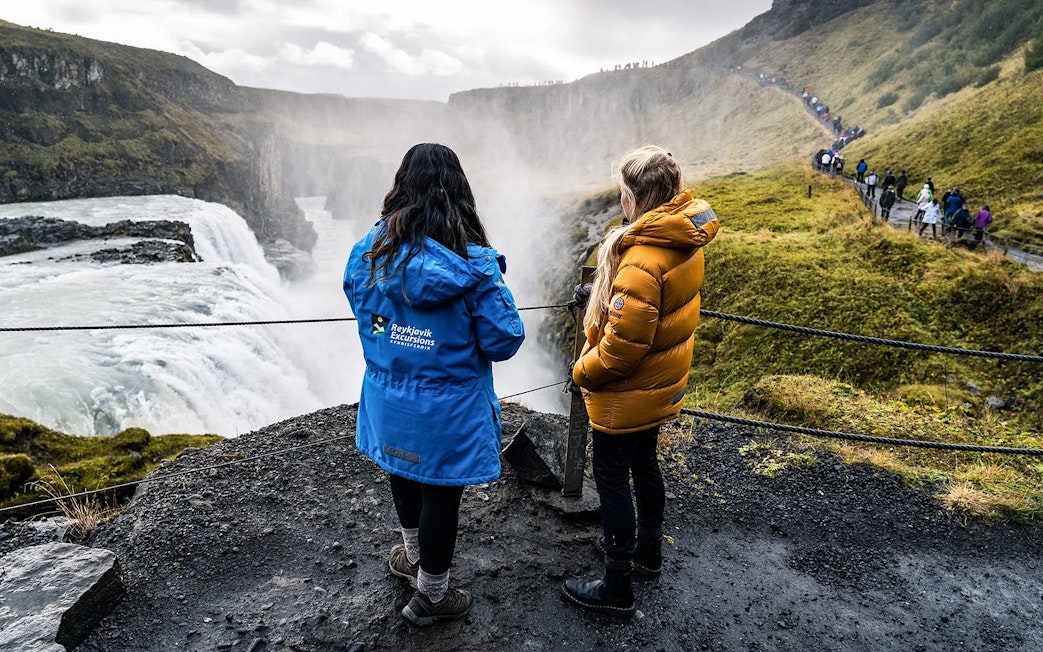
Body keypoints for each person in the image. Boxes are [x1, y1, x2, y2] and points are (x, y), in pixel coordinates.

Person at [342, 143, 525, 626]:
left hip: (388, 395)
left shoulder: (368, 254)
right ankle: (432, 596)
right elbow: (504, 340)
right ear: (458, 191)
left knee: (402, 473)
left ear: (401, 186)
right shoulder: (474, 267)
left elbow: (361, 305)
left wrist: (394, 333)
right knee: (441, 493)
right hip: (449, 409)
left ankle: (410, 559)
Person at [562, 145, 720, 618]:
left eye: (623, 193)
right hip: (659, 384)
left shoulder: (640, 261)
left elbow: (620, 351)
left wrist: (579, 372)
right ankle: (646, 554)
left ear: (635, 197)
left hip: (627, 395)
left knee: (611, 476)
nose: (620, 202)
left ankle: (616, 585)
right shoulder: (683, 240)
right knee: (644, 463)